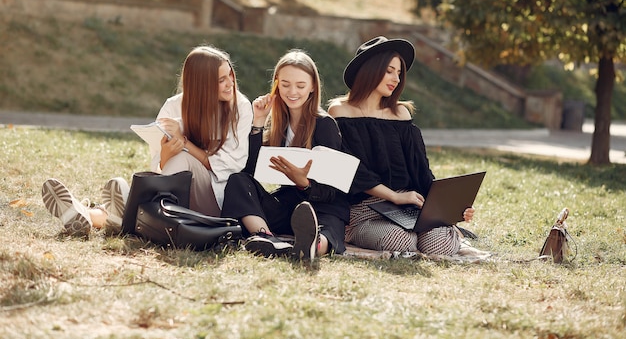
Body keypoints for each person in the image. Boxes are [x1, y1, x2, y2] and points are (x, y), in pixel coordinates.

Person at [42, 45, 253, 236]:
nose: (230, 83)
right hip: (176, 194)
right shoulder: (173, 106)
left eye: (230, 75)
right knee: (173, 161)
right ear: (202, 84)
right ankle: (86, 215)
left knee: (180, 159)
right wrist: (165, 153)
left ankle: (114, 209)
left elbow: (231, 165)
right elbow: (159, 165)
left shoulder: (240, 107)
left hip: (215, 199)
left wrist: (185, 143)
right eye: (221, 80)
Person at [328, 36, 489, 257]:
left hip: (409, 207)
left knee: (439, 245)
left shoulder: (401, 113)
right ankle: (357, 234)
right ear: (370, 70)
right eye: (389, 70)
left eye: (399, 73)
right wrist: (394, 196)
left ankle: (447, 232)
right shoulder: (340, 112)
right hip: (365, 211)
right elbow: (350, 170)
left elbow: (420, 170)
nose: (396, 78)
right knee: (401, 241)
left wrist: (448, 211)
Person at [221, 49, 349, 264]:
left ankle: (312, 247)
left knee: (326, 230)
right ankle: (265, 238)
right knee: (238, 181)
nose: (292, 92)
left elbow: (332, 190)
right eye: (285, 84)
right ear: (276, 85)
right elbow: (250, 171)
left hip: (324, 206)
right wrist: (258, 123)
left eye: (300, 86)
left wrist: (305, 184)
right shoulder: (278, 123)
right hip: (289, 204)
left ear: (312, 87)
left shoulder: (325, 124)